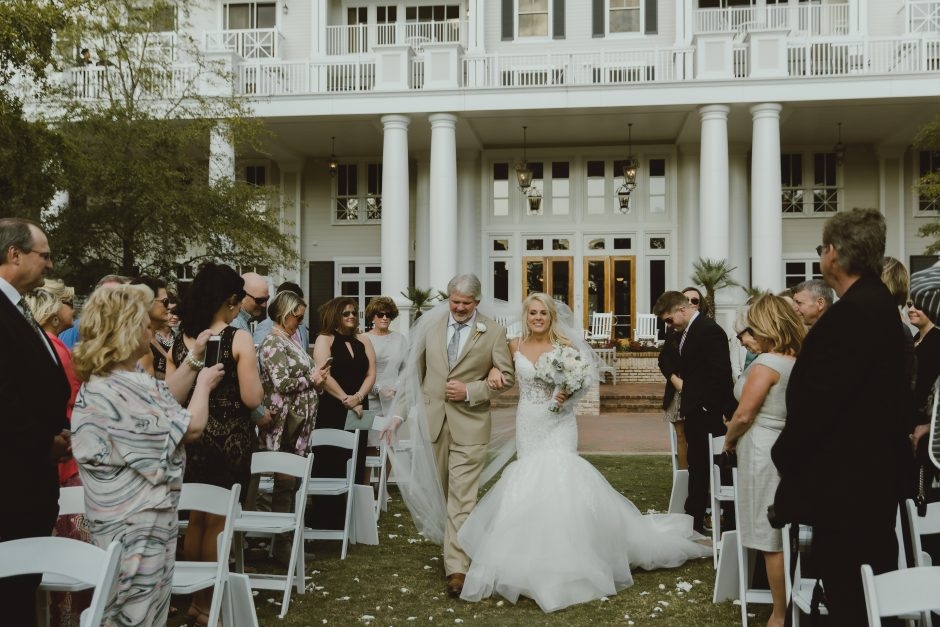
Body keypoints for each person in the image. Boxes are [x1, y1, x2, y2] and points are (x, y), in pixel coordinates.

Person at [457, 293, 710, 612]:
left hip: (559, 423)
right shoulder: (514, 345)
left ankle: (571, 559)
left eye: (543, 313)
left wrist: (566, 397)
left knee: (560, 477)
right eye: (532, 313)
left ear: (551, 317)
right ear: (526, 316)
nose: (537, 318)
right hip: (529, 423)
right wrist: (494, 372)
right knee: (529, 479)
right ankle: (529, 558)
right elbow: (505, 376)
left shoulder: (566, 347)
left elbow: (582, 382)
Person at [772, 208, 911, 625]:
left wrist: (785, 458)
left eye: (821, 247)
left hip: (848, 489)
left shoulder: (850, 317)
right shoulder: (881, 306)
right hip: (873, 481)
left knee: (851, 597)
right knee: (867, 595)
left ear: (833, 254)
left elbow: (817, 406)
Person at [71, 284, 223, 626]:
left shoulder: (123, 378)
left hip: (144, 521)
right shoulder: (116, 390)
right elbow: (191, 427)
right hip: (132, 526)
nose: (150, 329)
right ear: (125, 329)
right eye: (142, 323)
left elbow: (165, 398)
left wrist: (196, 357)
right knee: (132, 616)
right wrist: (204, 387)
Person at [383, 274, 515, 598]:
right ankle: (462, 544)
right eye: (454, 302)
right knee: (444, 496)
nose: (458, 308)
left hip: (470, 426)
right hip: (433, 423)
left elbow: (507, 378)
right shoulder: (429, 328)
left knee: (462, 497)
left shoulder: (493, 332)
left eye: (465, 304)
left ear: (477, 302)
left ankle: (457, 568)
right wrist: (397, 415)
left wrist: (471, 390)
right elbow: (414, 376)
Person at [165, 262, 267, 624]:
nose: (239, 307)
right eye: (238, 300)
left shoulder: (181, 340)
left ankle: (195, 601)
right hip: (230, 440)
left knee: (195, 519)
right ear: (229, 300)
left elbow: (170, 396)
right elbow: (252, 397)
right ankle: (208, 606)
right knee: (219, 521)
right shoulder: (237, 338)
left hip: (192, 436)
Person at [0, 218, 71, 626]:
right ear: (14, 255)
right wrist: (42, 441)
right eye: (43, 255)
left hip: (30, 480)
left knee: (22, 591)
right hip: (12, 481)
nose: (49, 264)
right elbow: (4, 396)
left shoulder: (18, 306)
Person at [722, 295, 804, 627]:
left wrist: (728, 441)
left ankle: (779, 614)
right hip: (783, 446)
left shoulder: (766, 364)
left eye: (747, 330)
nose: (743, 338)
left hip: (761, 451)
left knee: (768, 534)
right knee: (781, 530)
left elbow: (744, 414)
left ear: (766, 327)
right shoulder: (796, 360)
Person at [23, 283, 87, 625]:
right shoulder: (56, 350)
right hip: (64, 448)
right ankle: (68, 613)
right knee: (69, 535)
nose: (72, 309)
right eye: (67, 303)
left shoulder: (53, 346)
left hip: (60, 444)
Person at [653, 290, 734, 534]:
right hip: (695, 411)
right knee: (698, 467)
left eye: (669, 320)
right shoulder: (685, 331)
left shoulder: (709, 330)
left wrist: (706, 404)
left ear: (683, 309)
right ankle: (694, 521)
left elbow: (719, 373)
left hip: (709, 412)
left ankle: (721, 523)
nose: (669, 325)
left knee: (716, 466)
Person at [257, 291, 330, 537]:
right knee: (285, 480)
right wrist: (311, 378)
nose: (300, 322)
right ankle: (281, 541)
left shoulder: (291, 339)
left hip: (300, 421)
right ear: (284, 315)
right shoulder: (273, 342)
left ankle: (287, 537)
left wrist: (318, 379)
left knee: (293, 480)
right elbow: (281, 383)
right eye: (297, 318)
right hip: (286, 421)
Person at [310, 297, 376, 526]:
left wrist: (358, 398)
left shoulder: (364, 340)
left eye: (353, 312)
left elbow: (371, 373)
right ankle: (327, 517)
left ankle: (353, 517)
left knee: (357, 457)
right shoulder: (324, 339)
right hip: (333, 408)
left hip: (360, 407)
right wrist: (346, 399)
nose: (350, 316)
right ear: (335, 315)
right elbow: (324, 374)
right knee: (331, 458)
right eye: (345, 313)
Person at [658, 287, 708, 470]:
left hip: (697, 391)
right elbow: (663, 359)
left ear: (700, 304)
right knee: (681, 434)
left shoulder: (706, 329)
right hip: (677, 388)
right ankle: (683, 474)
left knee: (697, 434)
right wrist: (674, 379)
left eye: (694, 300)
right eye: (687, 299)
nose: (690, 303)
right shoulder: (673, 330)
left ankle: (699, 474)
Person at [59, 273, 130, 350]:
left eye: (117, 295)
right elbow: (63, 357)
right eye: (105, 295)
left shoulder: (130, 330)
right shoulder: (78, 327)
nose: (110, 300)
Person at [130, 275, 170, 378]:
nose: (169, 307)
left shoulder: (152, 339)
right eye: (165, 302)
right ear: (147, 303)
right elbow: (148, 391)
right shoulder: (141, 348)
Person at [253, 281, 310, 349]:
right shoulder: (265, 326)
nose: (301, 322)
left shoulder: (302, 327)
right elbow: (260, 354)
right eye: (297, 303)